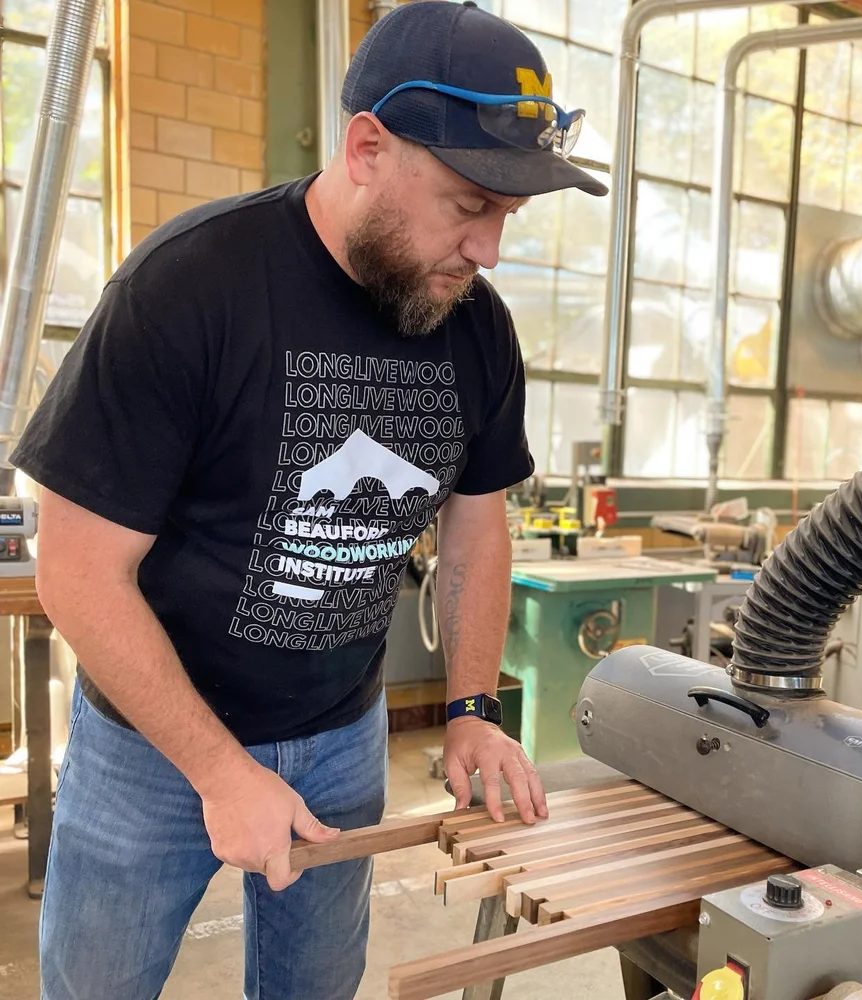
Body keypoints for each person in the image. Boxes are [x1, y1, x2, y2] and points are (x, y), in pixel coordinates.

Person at [10, 1, 608, 998]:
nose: (490, 249)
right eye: (469, 204)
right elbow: (73, 566)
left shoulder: (478, 332)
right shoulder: (192, 285)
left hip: (341, 738)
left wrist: (469, 707)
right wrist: (215, 768)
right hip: (150, 749)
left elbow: (472, 534)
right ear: (368, 147)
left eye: (511, 215)